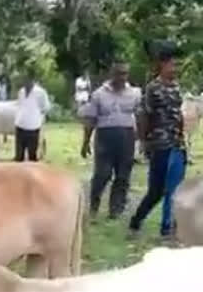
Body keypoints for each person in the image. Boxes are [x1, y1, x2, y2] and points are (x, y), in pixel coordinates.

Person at [129, 41, 186, 238]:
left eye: (177, 65)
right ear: (162, 65)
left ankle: (168, 228)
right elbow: (144, 115)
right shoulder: (153, 88)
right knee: (157, 191)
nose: (175, 68)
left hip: (177, 144)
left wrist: (182, 136)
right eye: (172, 64)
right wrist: (144, 141)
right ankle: (136, 222)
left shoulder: (177, 88)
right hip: (159, 144)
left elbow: (179, 114)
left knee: (176, 189)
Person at [80, 60, 141, 220]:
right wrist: (85, 142)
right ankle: (94, 205)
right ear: (112, 74)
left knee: (123, 176)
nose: (122, 77)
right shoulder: (99, 94)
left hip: (126, 137)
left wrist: (142, 139)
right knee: (102, 174)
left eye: (125, 74)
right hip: (105, 137)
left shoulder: (135, 93)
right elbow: (90, 119)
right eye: (119, 74)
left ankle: (116, 209)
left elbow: (141, 117)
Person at [14, 69, 51, 162]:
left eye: (26, 79)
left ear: (32, 79)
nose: (24, 81)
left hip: (33, 128)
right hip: (20, 126)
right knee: (19, 157)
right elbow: (20, 106)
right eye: (23, 79)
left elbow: (46, 107)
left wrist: (38, 117)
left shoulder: (40, 92)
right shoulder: (21, 92)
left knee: (32, 156)